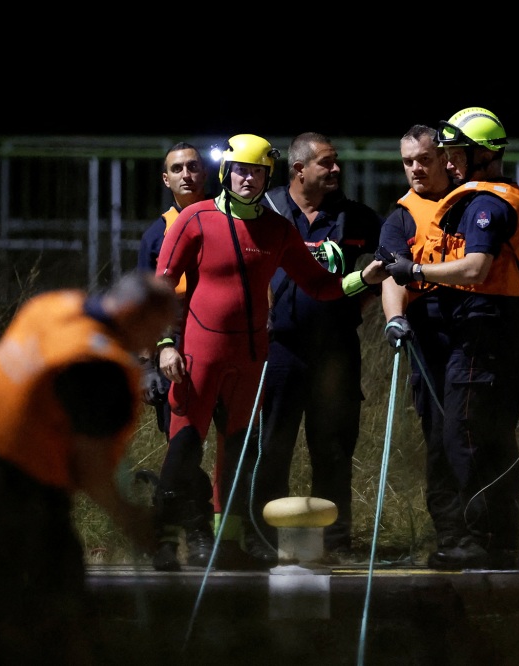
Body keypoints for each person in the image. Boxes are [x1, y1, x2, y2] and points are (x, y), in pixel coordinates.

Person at [153, 134, 387, 572]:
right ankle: (164, 539)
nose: (248, 178)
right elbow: (161, 288)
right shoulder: (196, 219)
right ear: (226, 174)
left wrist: (365, 279)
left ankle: (231, 540)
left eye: (257, 171)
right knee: (185, 446)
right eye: (240, 169)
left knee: (239, 453)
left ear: (267, 177)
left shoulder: (277, 229)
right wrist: (167, 343)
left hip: (251, 358)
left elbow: (319, 285)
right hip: (199, 354)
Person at [0, 270, 177, 666]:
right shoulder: (99, 367)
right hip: (21, 480)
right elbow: (93, 472)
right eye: (157, 329)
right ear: (135, 315)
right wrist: (134, 521)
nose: (152, 344)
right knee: (58, 600)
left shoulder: (54, 306)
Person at [383, 107, 519, 569]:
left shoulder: (486, 204)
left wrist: (416, 269)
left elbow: (476, 268)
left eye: (455, 152)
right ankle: (500, 539)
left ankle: (476, 538)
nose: (447, 161)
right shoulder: (486, 199)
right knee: (485, 437)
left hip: (481, 333)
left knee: (465, 436)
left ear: (480, 154)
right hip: (488, 331)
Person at [244, 133, 384, 565]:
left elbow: (383, 268)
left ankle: (336, 543)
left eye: (336, 161)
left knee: (334, 448)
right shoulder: (263, 211)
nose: (336, 169)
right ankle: (263, 541)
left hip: (336, 351)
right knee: (272, 446)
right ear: (299, 169)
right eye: (326, 162)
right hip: (278, 351)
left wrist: (351, 306)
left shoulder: (357, 216)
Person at [379, 125, 473, 569]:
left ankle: (491, 532)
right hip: (430, 341)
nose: (415, 168)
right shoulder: (400, 218)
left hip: (474, 334)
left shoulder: (475, 203)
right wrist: (395, 319)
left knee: (476, 436)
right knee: (439, 437)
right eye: (407, 161)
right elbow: (390, 275)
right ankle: (451, 534)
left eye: (423, 159)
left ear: (444, 159)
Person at [136, 142, 208, 436]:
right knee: (178, 441)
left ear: (204, 173)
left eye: (192, 166)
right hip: (174, 345)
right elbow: (145, 305)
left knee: (237, 439)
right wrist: (144, 365)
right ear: (166, 179)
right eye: (176, 169)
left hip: (225, 340)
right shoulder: (156, 235)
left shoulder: (228, 220)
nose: (186, 174)